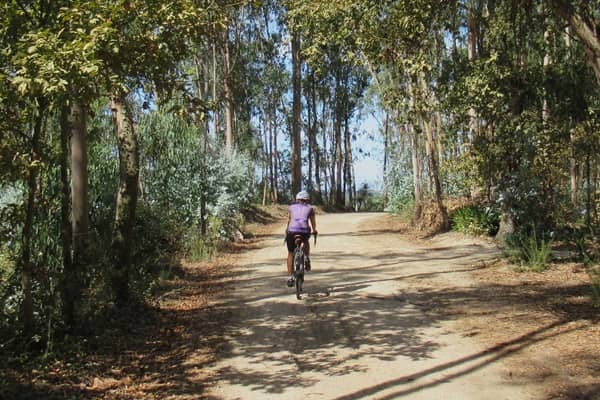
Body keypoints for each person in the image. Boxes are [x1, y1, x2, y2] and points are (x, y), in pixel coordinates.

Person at [285, 190, 317, 287]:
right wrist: (315, 230)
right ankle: (306, 257)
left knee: (291, 253)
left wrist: (287, 231)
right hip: (304, 231)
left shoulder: (291, 208)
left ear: (297, 199)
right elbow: (313, 223)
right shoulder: (310, 209)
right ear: (307, 200)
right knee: (306, 241)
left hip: (292, 231)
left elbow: (289, 221)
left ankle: (290, 277)